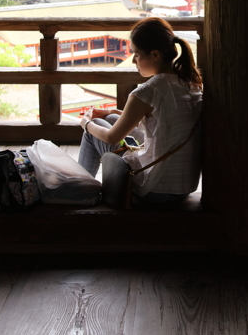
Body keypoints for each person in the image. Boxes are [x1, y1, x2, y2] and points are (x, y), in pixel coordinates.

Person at [78, 17, 202, 204]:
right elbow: (161, 124)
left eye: (136, 55)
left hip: (153, 189)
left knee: (94, 129)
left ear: (155, 55)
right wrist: (115, 112)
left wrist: (86, 124)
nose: (134, 61)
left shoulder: (148, 91)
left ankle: (80, 192)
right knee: (111, 117)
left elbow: (111, 138)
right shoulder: (190, 83)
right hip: (183, 187)